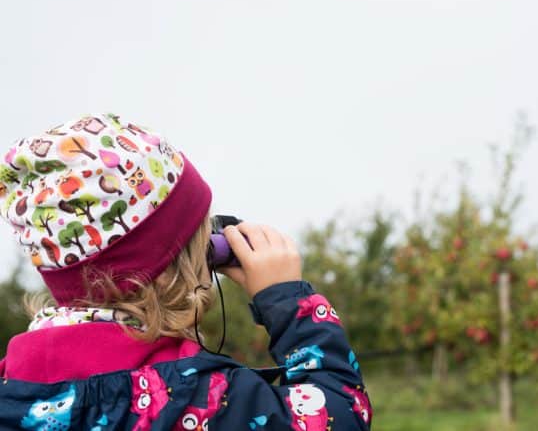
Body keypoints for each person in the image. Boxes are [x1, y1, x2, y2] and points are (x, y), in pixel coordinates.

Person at [0, 113, 372, 430]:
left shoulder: (12, 386)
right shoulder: (197, 399)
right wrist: (289, 302)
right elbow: (341, 413)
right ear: (167, 268)